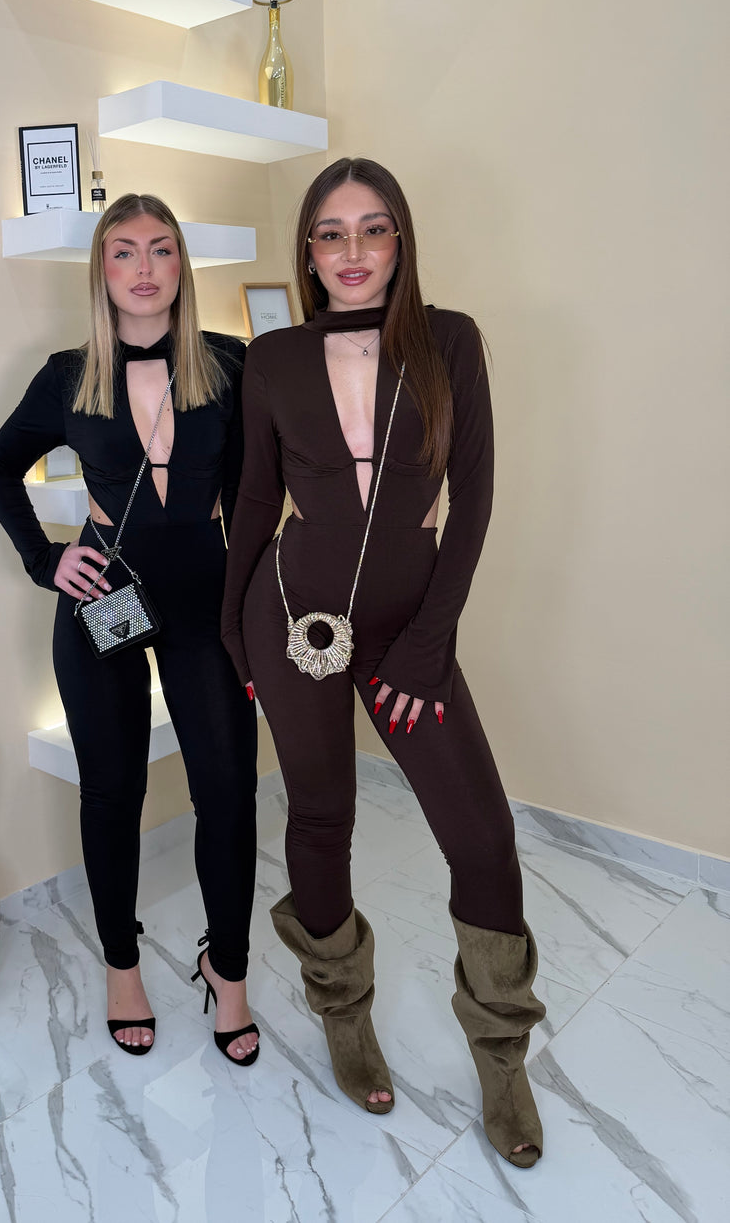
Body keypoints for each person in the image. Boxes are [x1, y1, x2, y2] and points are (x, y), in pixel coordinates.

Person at [221, 158, 546, 1166]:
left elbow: (473, 497)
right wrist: (236, 633)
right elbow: (253, 502)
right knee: (321, 818)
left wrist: (427, 644)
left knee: (481, 837)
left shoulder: (449, 341)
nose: (351, 250)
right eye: (330, 233)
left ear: (400, 240)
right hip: (292, 623)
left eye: (372, 229)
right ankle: (343, 1015)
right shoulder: (272, 357)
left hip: (412, 631)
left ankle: (501, 1057)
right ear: (308, 251)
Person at [0, 194, 260, 1064]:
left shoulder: (232, 364)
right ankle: (122, 967)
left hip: (205, 597)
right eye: (125, 251)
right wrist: (46, 559)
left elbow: (257, 495)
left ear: (182, 265)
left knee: (229, 792)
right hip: (103, 595)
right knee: (112, 792)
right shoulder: (69, 374)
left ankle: (230, 970)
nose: (145, 268)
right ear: (101, 270)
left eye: (162, 249)